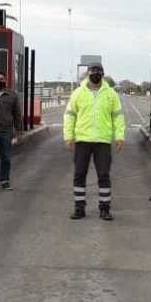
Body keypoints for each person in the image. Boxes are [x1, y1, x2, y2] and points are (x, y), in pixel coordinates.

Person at [63, 63, 126, 221]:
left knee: (104, 175)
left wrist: (119, 137)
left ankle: (104, 209)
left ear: (103, 74)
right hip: (82, 140)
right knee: (79, 174)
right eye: (93, 71)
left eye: (99, 71)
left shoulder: (111, 94)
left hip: (102, 141)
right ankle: (79, 208)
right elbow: (70, 115)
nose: (96, 74)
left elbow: (118, 117)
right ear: (88, 73)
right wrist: (68, 137)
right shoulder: (78, 93)